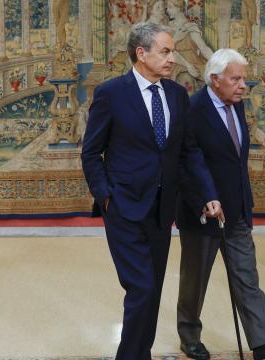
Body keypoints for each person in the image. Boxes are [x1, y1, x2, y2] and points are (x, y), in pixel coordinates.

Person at [81, 22, 220, 359]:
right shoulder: (111, 93)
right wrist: (106, 195)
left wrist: (207, 194)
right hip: (124, 208)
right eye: (166, 51)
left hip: (162, 211)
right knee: (141, 288)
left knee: (152, 290)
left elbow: (187, 152)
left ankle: (139, 353)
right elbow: (90, 152)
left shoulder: (176, 94)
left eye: (172, 51)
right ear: (141, 53)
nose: (173, 58)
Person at [175, 48, 265, 360]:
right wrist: (205, 198)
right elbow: (186, 161)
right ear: (215, 79)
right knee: (195, 281)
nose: (242, 85)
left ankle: (264, 344)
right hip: (203, 214)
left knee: (248, 278)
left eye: (243, 78)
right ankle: (189, 335)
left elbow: (234, 160)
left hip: (237, 211)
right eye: (236, 79)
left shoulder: (236, 106)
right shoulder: (193, 110)